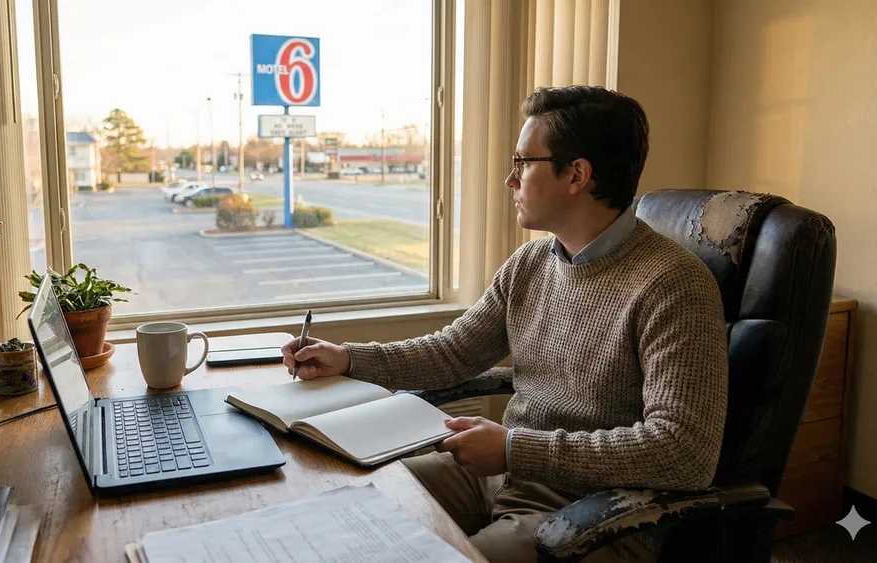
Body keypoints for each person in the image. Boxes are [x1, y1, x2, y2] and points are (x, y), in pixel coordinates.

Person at [281, 86, 728, 563]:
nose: (509, 180)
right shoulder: (530, 264)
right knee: (347, 508)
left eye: (523, 163)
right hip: (503, 478)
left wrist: (516, 449)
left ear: (577, 174)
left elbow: (683, 452)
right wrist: (348, 359)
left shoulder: (674, 284)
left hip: (599, 515)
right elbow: (453, 351)